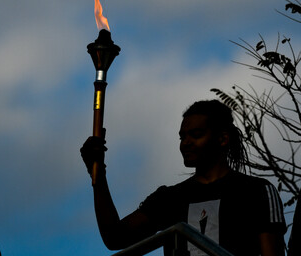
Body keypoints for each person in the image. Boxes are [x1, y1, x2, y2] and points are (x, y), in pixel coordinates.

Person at [80, 99, 286, 256]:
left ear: (222, 139)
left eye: (195, 135)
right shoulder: (168, 198)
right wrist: (97, 174)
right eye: (182, 136)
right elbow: (115, 238)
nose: (185, 143)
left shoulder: (256, 191)